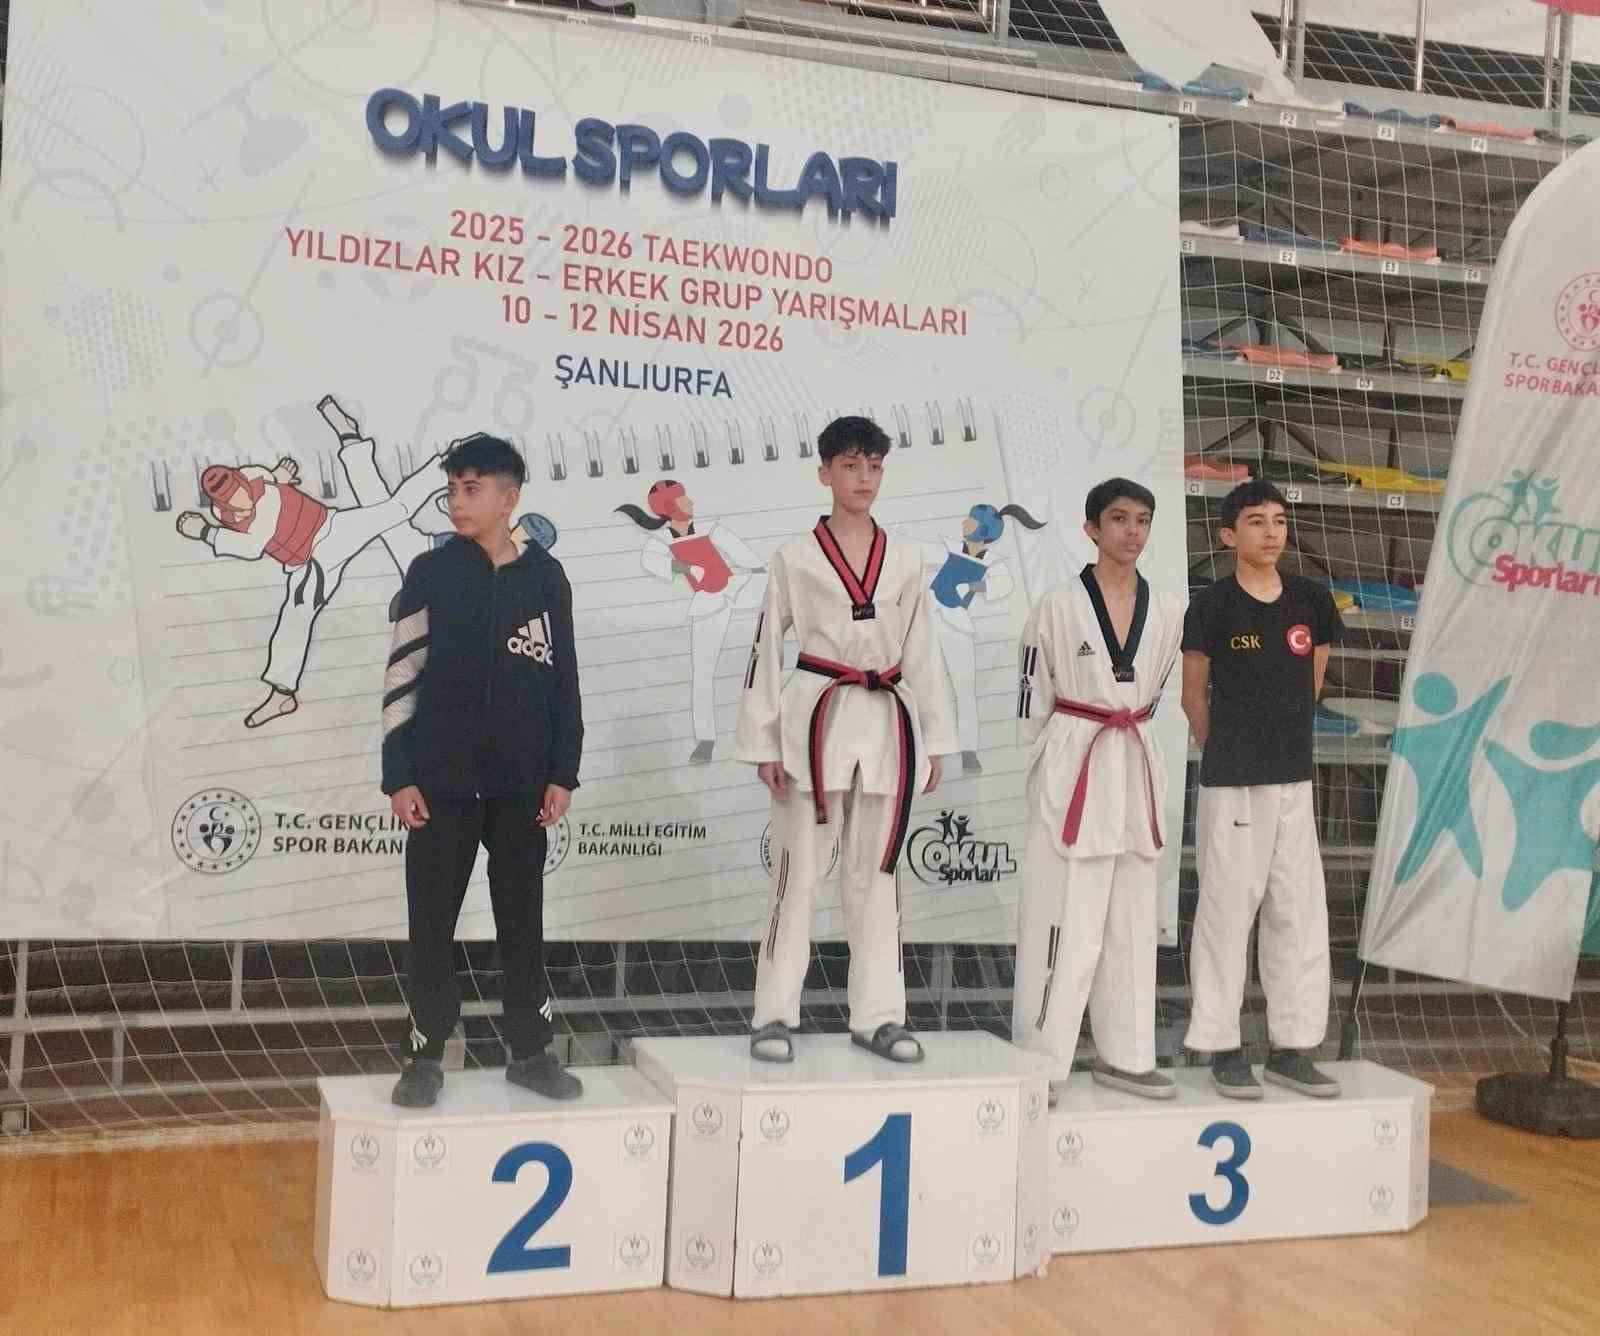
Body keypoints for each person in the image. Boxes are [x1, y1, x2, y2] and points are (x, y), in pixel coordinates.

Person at [735, 416, 958, 1064]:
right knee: (797, 877)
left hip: (887, 722)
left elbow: (923, 651)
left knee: (878, 878)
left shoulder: (908, 558)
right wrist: (763, 743)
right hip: (816, 719)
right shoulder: (794, 557)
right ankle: (774, 1016)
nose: (864, 478)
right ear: (825, 473)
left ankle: (880, 1017)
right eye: (851, 466)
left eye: (874, 467)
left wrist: (935, 740)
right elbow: (764, 650)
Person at [381, 434, 584, 1108]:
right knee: (430, 922)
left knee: (523, 921)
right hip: (440, 783)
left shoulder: (547, 578)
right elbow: (402, 675)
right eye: (451, 489)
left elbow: (564, 682)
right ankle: (424, 1056)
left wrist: (561, 771)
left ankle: (530, 1052)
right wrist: (399, 774)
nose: (457, 502)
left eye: (472, 489)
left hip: (521, 786)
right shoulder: (430, 571)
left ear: (509, 497)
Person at [1012, 479, 1182, 1104]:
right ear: (1091, 528)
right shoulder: (1057, 605)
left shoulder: (1168, 608)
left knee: (1133, 920)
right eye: (1118, 519)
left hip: (1132, 758)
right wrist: (1046, 765)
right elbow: (1032, 697)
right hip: (1074, 759)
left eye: (1142, 520)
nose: (1132, 531)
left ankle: (1127, 1056)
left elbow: (1155, 687)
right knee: (1063, 920)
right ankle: (1041, 1063)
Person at [1181, 479, 1344, 1099]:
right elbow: (1193, 696)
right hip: (1233, 781)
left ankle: (1292, 1047)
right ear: (1229, 535)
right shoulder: (1213, 605)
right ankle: (1221, 1044)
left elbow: (1313, 681)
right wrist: (1225, 748)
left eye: (1278, 520)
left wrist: (1280, 738)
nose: (1271, 531)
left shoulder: (1311, 599)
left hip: (1294, 778)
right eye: (1256, 521)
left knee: (1297, 912)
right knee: (1227, 912)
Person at [175, 395, 440, 729]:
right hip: (309, 565)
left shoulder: (255, 484)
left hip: (331, 529)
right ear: (221, 504)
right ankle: (282, 693)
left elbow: (256, 528)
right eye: (231, 499)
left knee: (393, 510)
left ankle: (445, 464)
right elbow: (249, 544)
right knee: (294, 619)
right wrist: (208, 532)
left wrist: (208, 531)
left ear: (241, 480)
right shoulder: (227, 516)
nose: (241, 499)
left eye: (239, 489)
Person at [616, 480, 766, 763]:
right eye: (683, 498)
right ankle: (706, 740)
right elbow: (650, 560)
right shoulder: (661, 541)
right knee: (703, 672)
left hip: (737, 589)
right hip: (708, 604)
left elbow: (746, 556)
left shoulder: (710, 529)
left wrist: (761, 575)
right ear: (671, 506)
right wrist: (686, 567)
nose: (691, 501)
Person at [922, 502, 1045, 774]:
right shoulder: (950, 548)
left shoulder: (992, 562)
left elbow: (1005, 584)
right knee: (923, 684)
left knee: (964, 689)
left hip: (956, 625)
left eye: (971, 521)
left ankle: (969, 750)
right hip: (928, 618)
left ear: (983, 530)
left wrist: (972, 586)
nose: (964, 524)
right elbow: (919, 550)